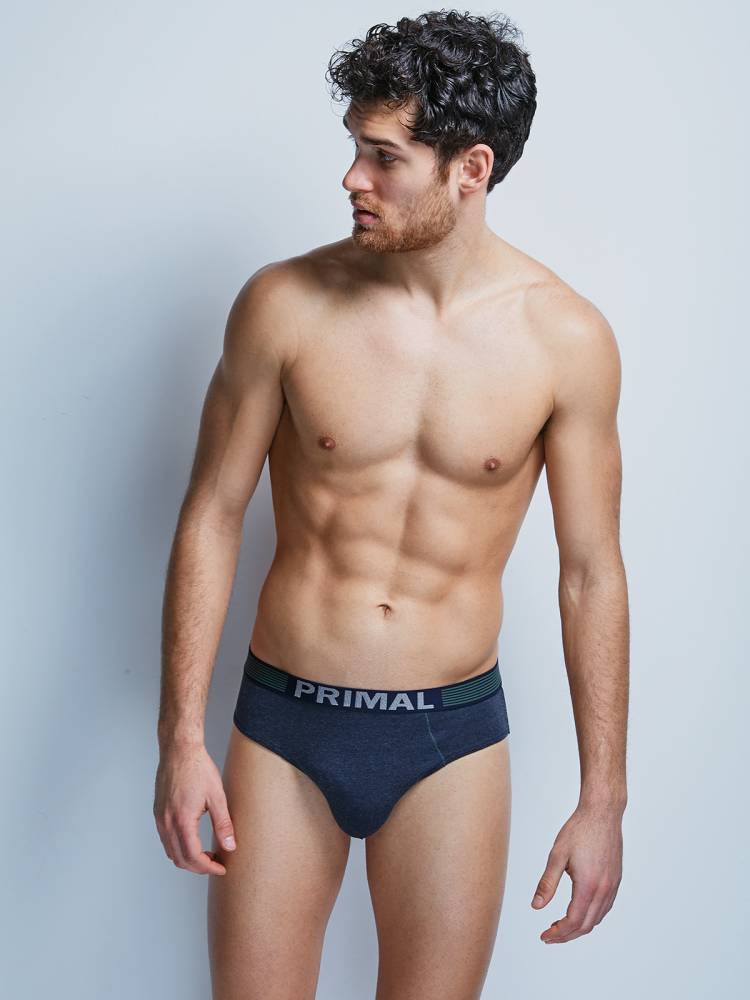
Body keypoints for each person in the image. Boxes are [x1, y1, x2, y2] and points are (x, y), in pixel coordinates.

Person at [153, 10, 629, 998]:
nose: (351, 179)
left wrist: (604, 799)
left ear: (471, 169)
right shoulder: (284, 304)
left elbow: (591, 572)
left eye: (384, 157)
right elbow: (211, 513)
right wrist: (182, 739)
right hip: (284, 727)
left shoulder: (565, 340)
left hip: (450, 743)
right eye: (354, 148)